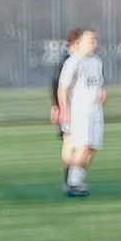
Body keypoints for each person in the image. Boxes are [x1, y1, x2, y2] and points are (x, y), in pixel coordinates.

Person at [57, 28, 106, 198]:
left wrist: (102, 93)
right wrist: (64, 110)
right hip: (80, 112)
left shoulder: (97, 61)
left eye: (94, 40)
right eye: (90, 40)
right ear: (79, 43)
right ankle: (72, 183)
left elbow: (97, 84)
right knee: (83, 146)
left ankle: (77, 181)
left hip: (96, 112)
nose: (93, 43)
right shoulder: (73, 62)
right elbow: (62, 87)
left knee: (93, 148)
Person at [51, 29, 80, 188]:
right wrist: (57, 106)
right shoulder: (66, 61)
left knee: (79, 144)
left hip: (80, 109)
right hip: (68, 108)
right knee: (69, 140)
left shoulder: (83, 60)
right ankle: (69, 176)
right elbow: (56, 84)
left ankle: (74, 176)